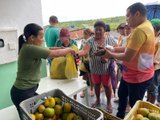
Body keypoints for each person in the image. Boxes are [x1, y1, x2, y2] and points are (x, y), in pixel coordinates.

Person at [95, 2, 155, 118]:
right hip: (130, 74)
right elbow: (129, 49)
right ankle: (120, 115)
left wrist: (109, 54)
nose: (126, 19)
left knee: (134, 105)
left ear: (137, 14)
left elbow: (128, 56)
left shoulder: (140, 30)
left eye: (128, 16)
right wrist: (111, 48)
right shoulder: (147, 25)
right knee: (122, 94)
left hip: (138, 77)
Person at [10, 23, 75, 120]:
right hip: (23, 92)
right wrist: (70, 49)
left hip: (27, 90)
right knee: (30, 117)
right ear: (32, 37)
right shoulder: (30, 48)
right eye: (41, 37)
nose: (43, 39)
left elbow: (49, 49)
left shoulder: (29, 46)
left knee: (40, 112)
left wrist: (63, 48)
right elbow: (55, 54)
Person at [78, 21, 117, 113]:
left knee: (107, 86)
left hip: (106, 69)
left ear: (104, 30)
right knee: (96, 84)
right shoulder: (90, 40)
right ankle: (98, 100)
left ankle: (108, 103)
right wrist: (76, 53)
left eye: (100, 29)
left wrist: (108, 57)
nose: (98, 32)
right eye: (96, 29)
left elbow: (116, 51)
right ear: (94, 30)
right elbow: (84, 51)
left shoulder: (110, 40)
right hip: (94, 69)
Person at [147, 18, 160, 105]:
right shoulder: (154, 36)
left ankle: (151, 104)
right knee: (149, 86)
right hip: (149, 65)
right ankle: (148, 101)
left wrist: (151, 63)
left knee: (153, 87)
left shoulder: (159, 39)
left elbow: (157, 57)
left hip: (155, 67)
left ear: (155, 28)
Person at [79, 28, 94, 97]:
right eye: (83, 34)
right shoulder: (82, 41)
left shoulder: (92, 41)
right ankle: (83, 91)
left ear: (89, 34)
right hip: (84, 61)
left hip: (90, 61)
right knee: (84, 77)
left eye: (85, 34)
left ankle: (91, 90)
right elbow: (81, 49)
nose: (84, 35)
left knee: (91, 77)